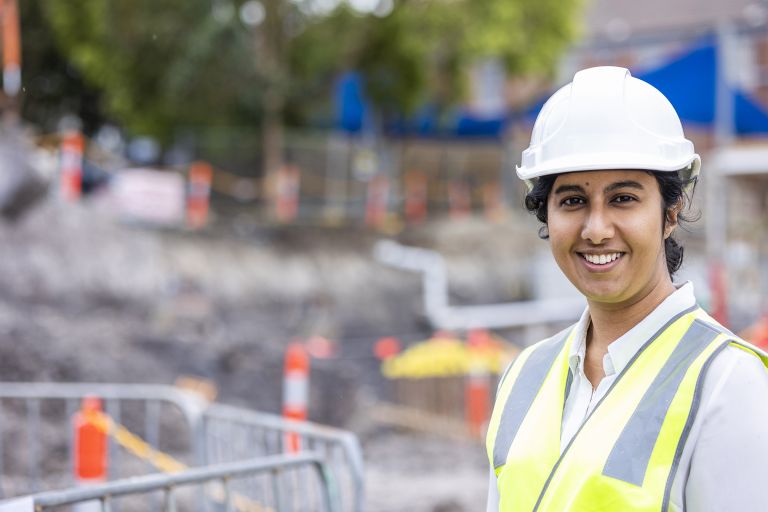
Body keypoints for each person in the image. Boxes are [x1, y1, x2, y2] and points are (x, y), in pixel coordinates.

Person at [485, 66, 768, 511]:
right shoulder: (523, 377)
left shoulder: (726, 383)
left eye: (623, 199)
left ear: (671, 212)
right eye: (573, 200)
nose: (596, 229)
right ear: (547, 215)